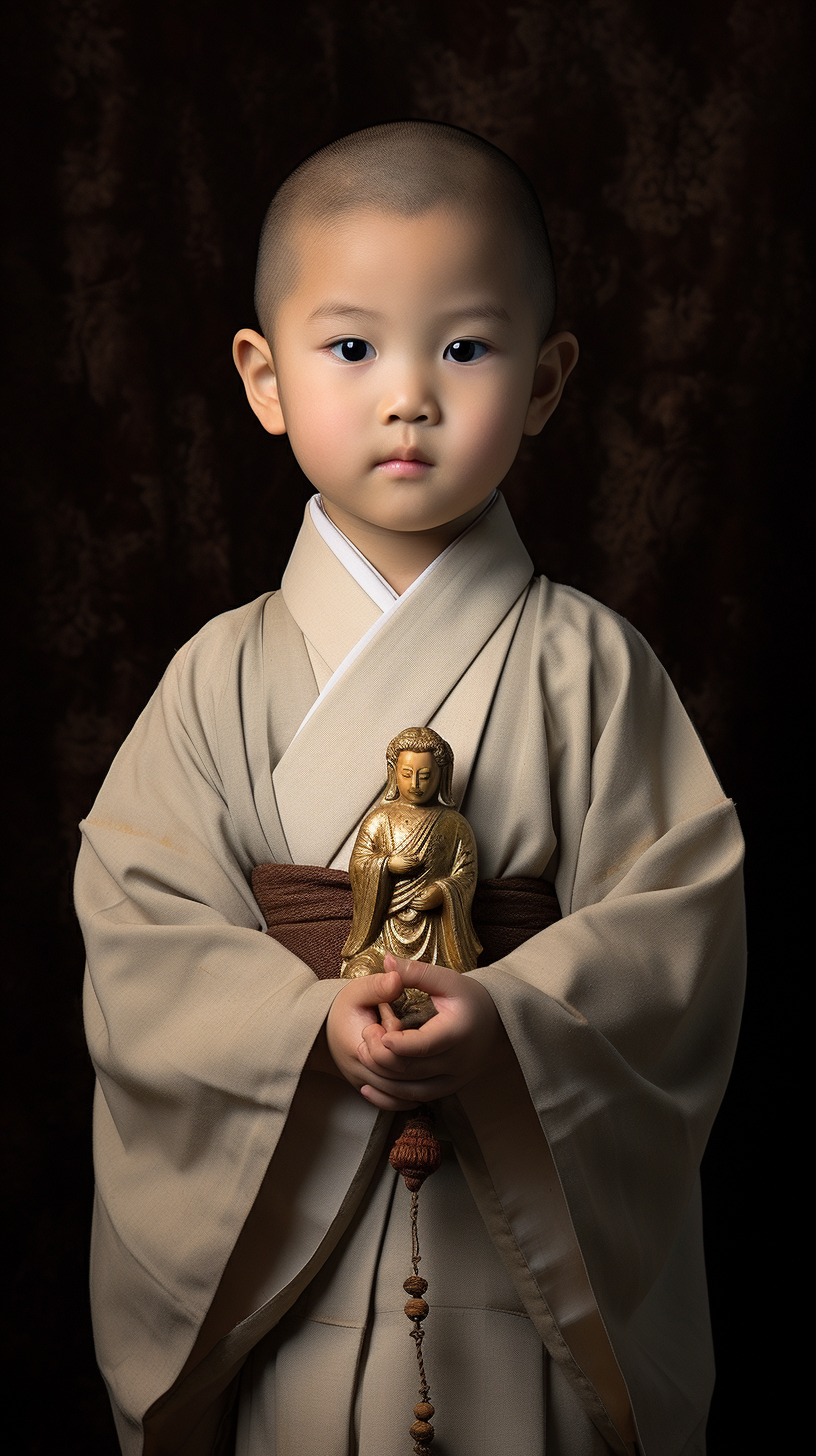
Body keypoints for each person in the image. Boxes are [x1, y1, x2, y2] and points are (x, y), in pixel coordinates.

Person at [75, 121, 745, 1456]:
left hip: (521, 1269)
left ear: (549, 380)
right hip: (290, 1272)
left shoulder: (595, 668)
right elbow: (141, 935)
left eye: (465, 348)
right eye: (351, 348)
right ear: (262, 379)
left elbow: (682, 930)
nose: (409, 396)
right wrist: (310, 1033)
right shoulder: (218, 678)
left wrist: (508, 1021)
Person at [340, 726, 482, 1026]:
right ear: (393, 772)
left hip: (436, 942)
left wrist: (442, 891)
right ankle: (393, 1007)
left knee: (454, 985)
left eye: (425, 775)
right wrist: (386, 865)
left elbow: (466, 873)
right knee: (358, 975)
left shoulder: (455, 825)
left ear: (441, 775)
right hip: (384, 938)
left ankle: (408, 1008)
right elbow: (359, 864)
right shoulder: (379, 821)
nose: (415, 783)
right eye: (407, 774)